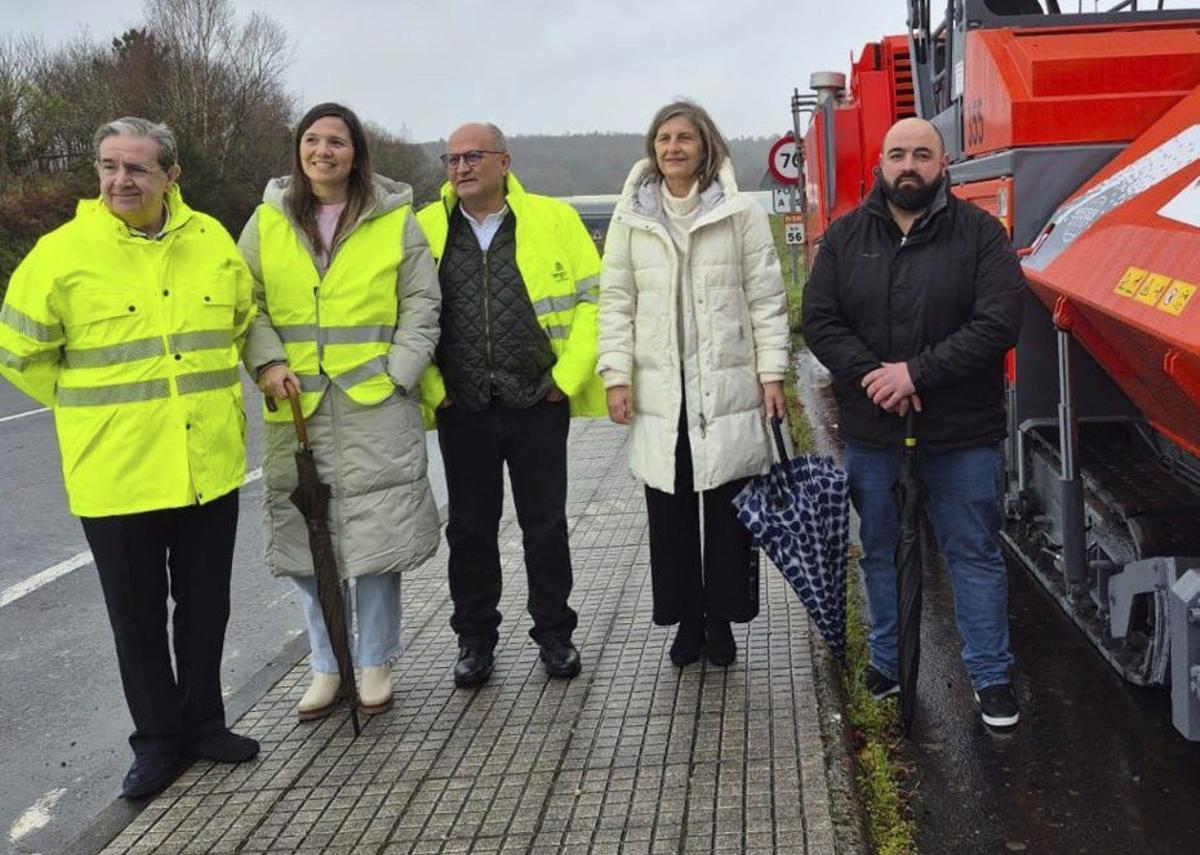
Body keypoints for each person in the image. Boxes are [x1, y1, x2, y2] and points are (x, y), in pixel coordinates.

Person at [0, 117, 259, 798]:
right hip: (114, 474)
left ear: (172, 176)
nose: (121, 180)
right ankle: (157, 742)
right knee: (137, 619)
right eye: (110, 165)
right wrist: (96, 412)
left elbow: (238, 324)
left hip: (207, 464)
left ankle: (205, 724)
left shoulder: (212, 243)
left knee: (205, 608)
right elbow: (20, 353)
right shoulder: (61, 254)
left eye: (137, 168)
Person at [801, 117, 1025, 727]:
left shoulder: (980, 235)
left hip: (961, 434)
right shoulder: (846, 238)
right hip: (874, 433)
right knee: (878, 549)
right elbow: (819, 319)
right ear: (880, 163)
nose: (909, 165)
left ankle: (991, 676)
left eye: (921, 154)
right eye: (897, 153)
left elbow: (999, 321)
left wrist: (917, 374)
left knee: (972, 552)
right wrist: (877, 376)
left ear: (944, 162)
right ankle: (887, 663)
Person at [239, 103, 441, 721]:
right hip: (296, 407)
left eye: (337, 141)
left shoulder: (394, 219)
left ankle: (374, 660)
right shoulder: (267, 220)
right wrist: (269, 366)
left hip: (374, 404)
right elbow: (247, 302)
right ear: (298, 148)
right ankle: (327, 666)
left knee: (376, 542)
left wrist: (397, 374)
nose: (323, 150)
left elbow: (421, 304)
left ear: (356, 153)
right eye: (312, 139)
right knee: (307, 541)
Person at [597, 101, 789, 667]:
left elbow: (766, 297)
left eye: (684, 137)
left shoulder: (739, 214)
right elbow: (616, 302)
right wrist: (616, 374)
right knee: (670, 514)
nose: (673, 147)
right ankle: (685, 621)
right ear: (652, 149)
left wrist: (772, 372)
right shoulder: (630, 217)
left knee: (729, 513)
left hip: (723, 384)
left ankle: (723, 621)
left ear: (706, 145)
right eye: (663, 138)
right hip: (661, 392)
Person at [417, 122, 604, 687]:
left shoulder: (553, 218)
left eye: (473, 156)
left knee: (544, 526)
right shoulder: (423, 229)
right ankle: (475, 641)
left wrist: (564, 379)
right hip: (463, 406)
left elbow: (595, 300)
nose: (461, 167)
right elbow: (404, 314)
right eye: (451, 158)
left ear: (505, 161)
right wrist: (435, 390)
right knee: (469, 531)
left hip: (537, 400)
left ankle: (555, 635)